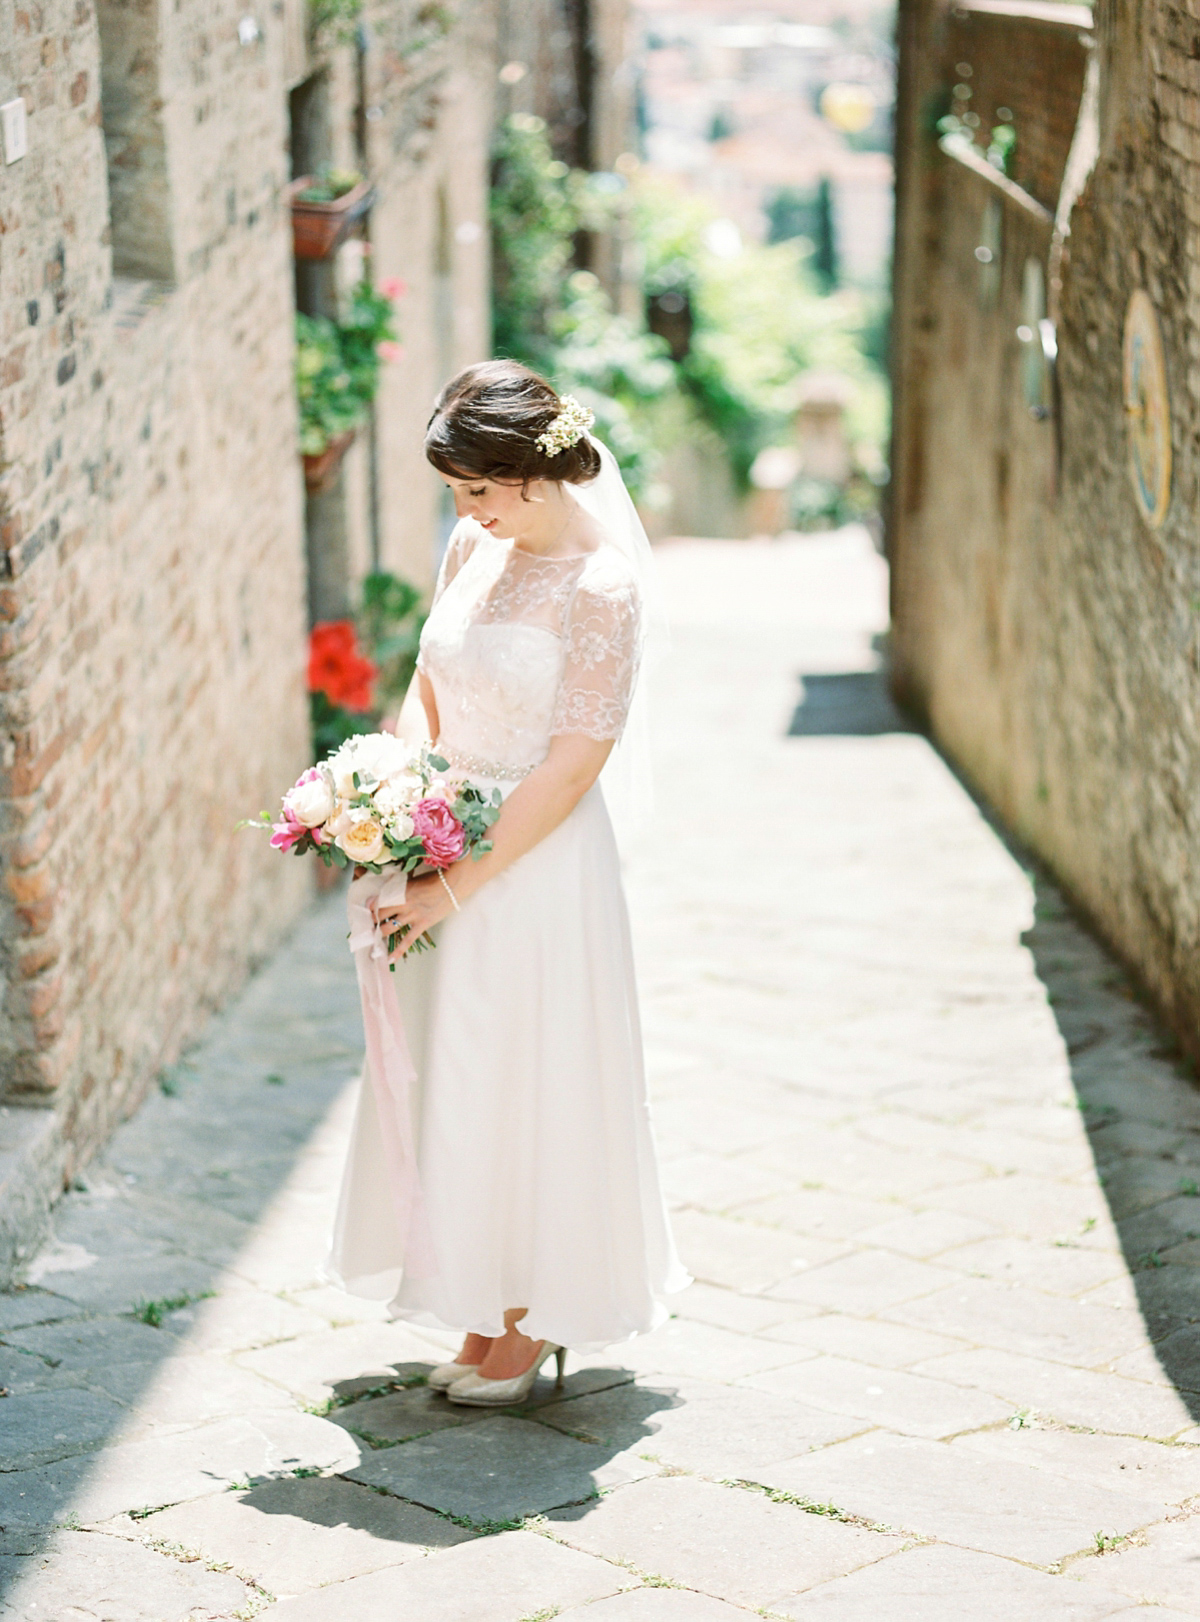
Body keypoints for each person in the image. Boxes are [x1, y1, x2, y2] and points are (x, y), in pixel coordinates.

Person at [326, 359, 688, 1405]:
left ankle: (533, 1320)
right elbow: (429, 681)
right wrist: (390, 797)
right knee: (454, 1074)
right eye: (456, 493)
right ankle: (481, 1308)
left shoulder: (602, 586)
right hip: (439, 832)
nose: (466, 511)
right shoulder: (471, 544)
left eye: (478, 489)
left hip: (535, 865)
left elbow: (575, 762)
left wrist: (461, 883)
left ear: (537, 473)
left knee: (528, 1077)